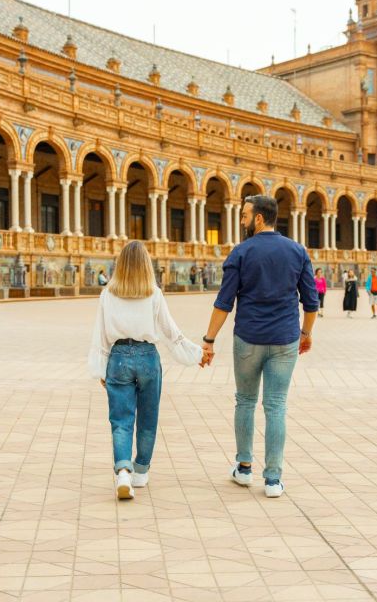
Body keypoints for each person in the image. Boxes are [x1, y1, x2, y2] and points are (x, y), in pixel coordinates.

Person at [201, 195, 317, 498]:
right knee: (276, 405)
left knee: (245, 401)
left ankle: (244, 468)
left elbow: (224, 302)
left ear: (259, 219)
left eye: (244, 216)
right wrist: (306, 333)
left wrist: (209, 340)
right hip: (285, 339)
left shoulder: (241, 252)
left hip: (249, 338)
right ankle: (273, 479)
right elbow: (311, 302)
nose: (241, 221)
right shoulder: (297, 251)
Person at [87, 241, 203, 500]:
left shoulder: (108, 294)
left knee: (121, 421)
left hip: (118, 357)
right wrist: (196, 354)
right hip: (148, 357)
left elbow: (101, 334)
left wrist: (101, 369)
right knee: (148, 419)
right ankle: (141, 471)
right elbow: (171, 333)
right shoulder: (153, 293)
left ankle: (123, 471)